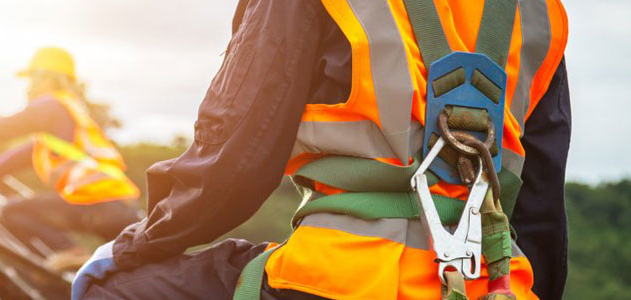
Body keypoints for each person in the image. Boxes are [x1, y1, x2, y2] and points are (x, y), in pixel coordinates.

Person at [72, 0, 570, 300]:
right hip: (497, 286)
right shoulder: (542, 15)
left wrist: (133, 246)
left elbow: (231, 168)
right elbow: (541, 207)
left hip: (341, 279)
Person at [0, 47, 141, 271]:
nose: (29, 86)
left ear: (47, 78)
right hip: (121, 210)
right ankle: (69, 260)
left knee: (12, 211)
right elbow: (15, 159)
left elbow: (1, 128)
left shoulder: (51, 106)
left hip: (97, 204)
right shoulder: (66, 119)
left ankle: (71, 251)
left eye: (32, 78)